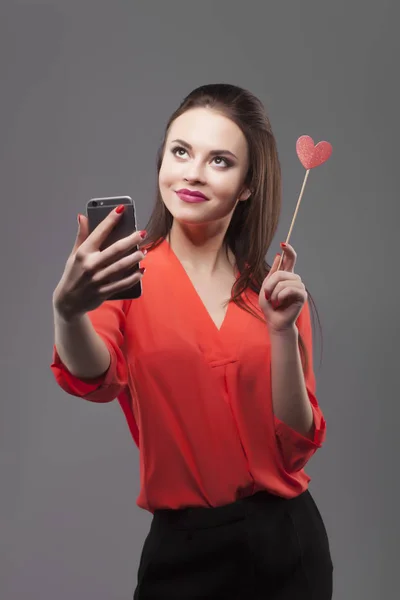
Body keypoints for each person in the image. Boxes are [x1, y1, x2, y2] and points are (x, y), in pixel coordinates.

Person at [51, 83, 333, 599]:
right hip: (184, 552)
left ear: (248, 185)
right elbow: (94, 377)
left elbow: (296, 444)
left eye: (220, 160)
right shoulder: (125, 277)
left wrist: (280, 331)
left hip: (288, 545)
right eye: (181, 152)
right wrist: (68, 312)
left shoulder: (274, 292)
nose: (193, 173)